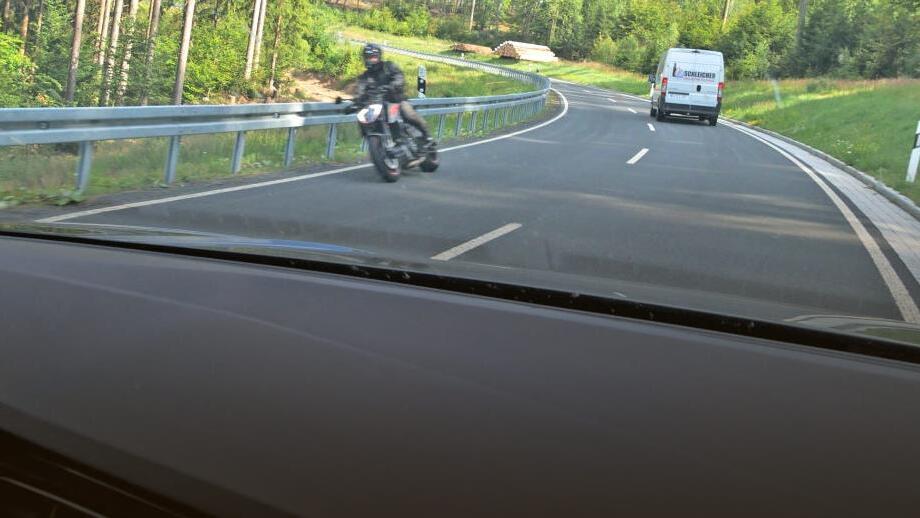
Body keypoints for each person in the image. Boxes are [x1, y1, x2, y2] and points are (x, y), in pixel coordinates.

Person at [355, 43, 434, 148]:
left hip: (396, 100)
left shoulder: (388, 66)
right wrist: (356, 102)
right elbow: (360, 91)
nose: (371, 60)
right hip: (377, 106)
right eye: (369, 57)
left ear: (379, 56)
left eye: (373, 57)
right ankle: (380, 145)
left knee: (408, 113)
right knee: (366, 121)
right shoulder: (364, 77)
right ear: (365, 58)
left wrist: (393, 85)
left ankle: (427, 136)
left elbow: (399, 76)